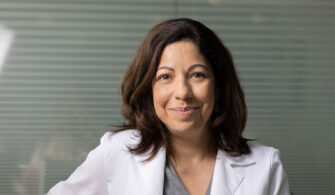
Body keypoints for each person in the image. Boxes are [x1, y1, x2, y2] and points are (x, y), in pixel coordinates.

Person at [48, 18, 290, 195]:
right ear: (148, 88)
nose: (182, 92)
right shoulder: (116, 152)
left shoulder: (266, 165)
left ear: (218, 86)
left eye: (197, 75)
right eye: (165, 77)